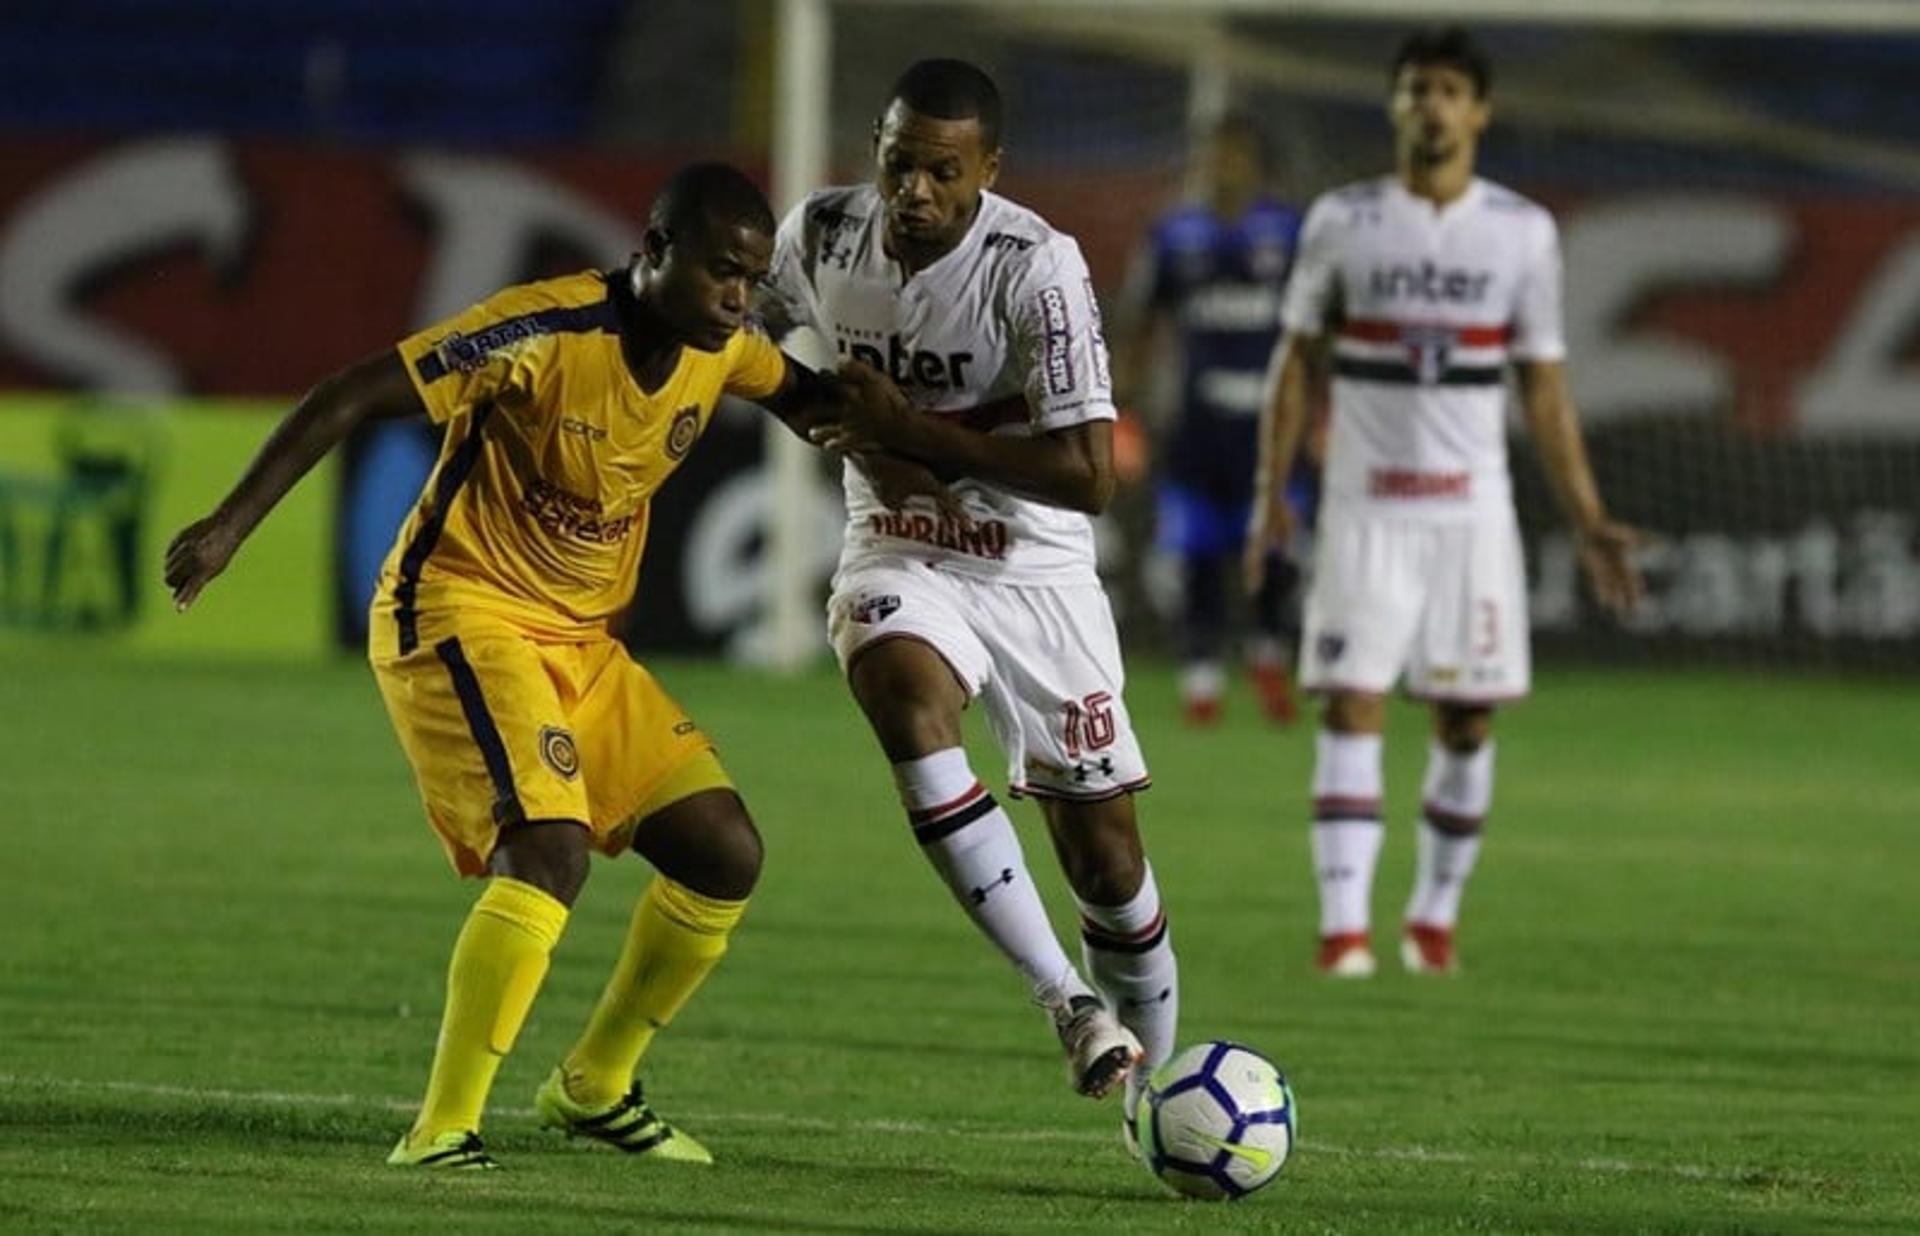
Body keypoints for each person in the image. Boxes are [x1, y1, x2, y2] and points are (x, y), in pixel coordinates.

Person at [164, 163, 890, 1169]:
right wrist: (228, 528)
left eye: (752, 278)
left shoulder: (719, 351)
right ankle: (442, 1128)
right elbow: (349, 393)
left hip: (582, 645)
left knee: (724, 851)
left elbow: (808, 401)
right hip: (461, 611)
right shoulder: (543, 332)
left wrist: (923, 448)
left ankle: (592, 1085)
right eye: (721, 271)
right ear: (653, 252)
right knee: (545, 847)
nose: (737, 296)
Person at [762, 59, 1178, 1125]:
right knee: (901, 689)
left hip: (1032, 562)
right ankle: (1069, 1003)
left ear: (988, 169)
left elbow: (1091, 477)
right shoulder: (818, 235)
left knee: (1107, 859)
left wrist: (915, 436)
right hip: (897, 545)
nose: (917, 191)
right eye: (901, 165)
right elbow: (738, 340)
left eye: (945, 172)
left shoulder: (1035, 266)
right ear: (877, 150)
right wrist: (827, 420)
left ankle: (1158, 1098)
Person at [1247, 28, 1642, 978]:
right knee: (1350, 705)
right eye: (1417, 89)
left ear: (1480, 112)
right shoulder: (1343, 220)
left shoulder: (1521, 232)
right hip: (1365, 510)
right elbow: (1297, 361)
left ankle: (1432, 916)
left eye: (1450, 90)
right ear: (1395, 107)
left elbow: (1543, 388)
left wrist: (1588, 520)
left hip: (1471, 515)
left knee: (1466, 721)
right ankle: (1344, 930)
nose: (1432, 105)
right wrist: (1274, 492)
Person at [1112, 112, 1313, 727]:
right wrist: (1123, 406)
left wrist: (1323, 408)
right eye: (1213, 156)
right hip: (1198, 424)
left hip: (1273, 427)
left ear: (1258, 165)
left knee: (1275, 553)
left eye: (1234, 155)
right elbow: (1141, 322)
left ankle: (1269, 658)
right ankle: (1201, 680)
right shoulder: (1174, 236)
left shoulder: (1292, 232)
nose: (1222, 167)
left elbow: (1318, 330)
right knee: (1198, 553)